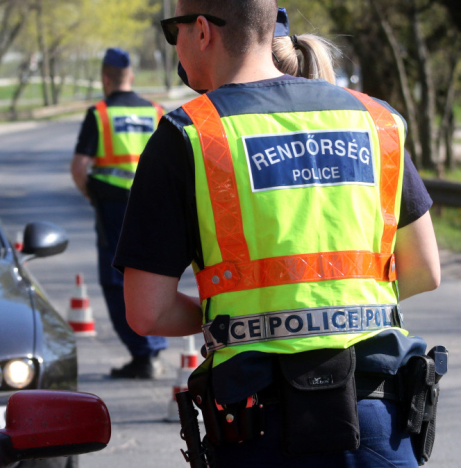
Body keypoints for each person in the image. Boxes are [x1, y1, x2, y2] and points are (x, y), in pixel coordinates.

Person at [115, 1, 441, 466]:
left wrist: (238, 322)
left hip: (259, 430)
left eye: (174, 30)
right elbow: (425, 270)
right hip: (380, 419)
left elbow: (147, 312)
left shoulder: (187, 135)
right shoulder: (377, 121)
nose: (175, 44)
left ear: (202, 31)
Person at [70, 47, 168, 379]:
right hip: (154, 208)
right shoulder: (156, 111)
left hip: (113, 209)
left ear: (105, 77)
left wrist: (91, 195)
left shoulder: (99, 114)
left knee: (116, 280)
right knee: (154, 272)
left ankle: (143, 352)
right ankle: (152, 347)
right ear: (132, 77)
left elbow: (79, 167)